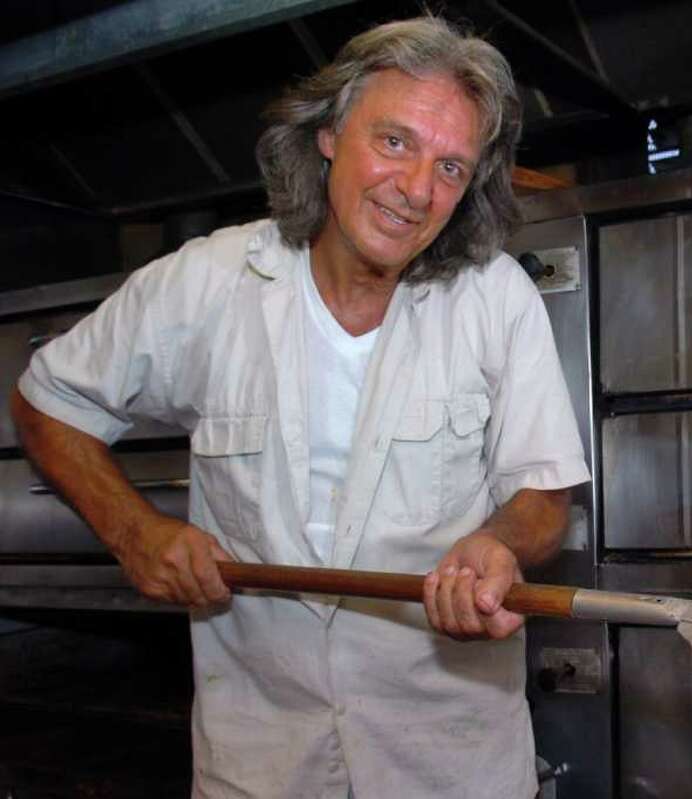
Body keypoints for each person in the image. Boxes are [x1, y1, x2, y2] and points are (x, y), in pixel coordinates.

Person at [10, 16, 588, 799]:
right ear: (328, 133)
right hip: (260, 762)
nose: (418, 189)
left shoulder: (494, 298)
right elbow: (48, 401)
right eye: (394, 142)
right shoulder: (210, 283)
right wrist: (134, 530)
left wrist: (498, 543)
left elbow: (545, 494)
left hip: (449, 764)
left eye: (450, 167)